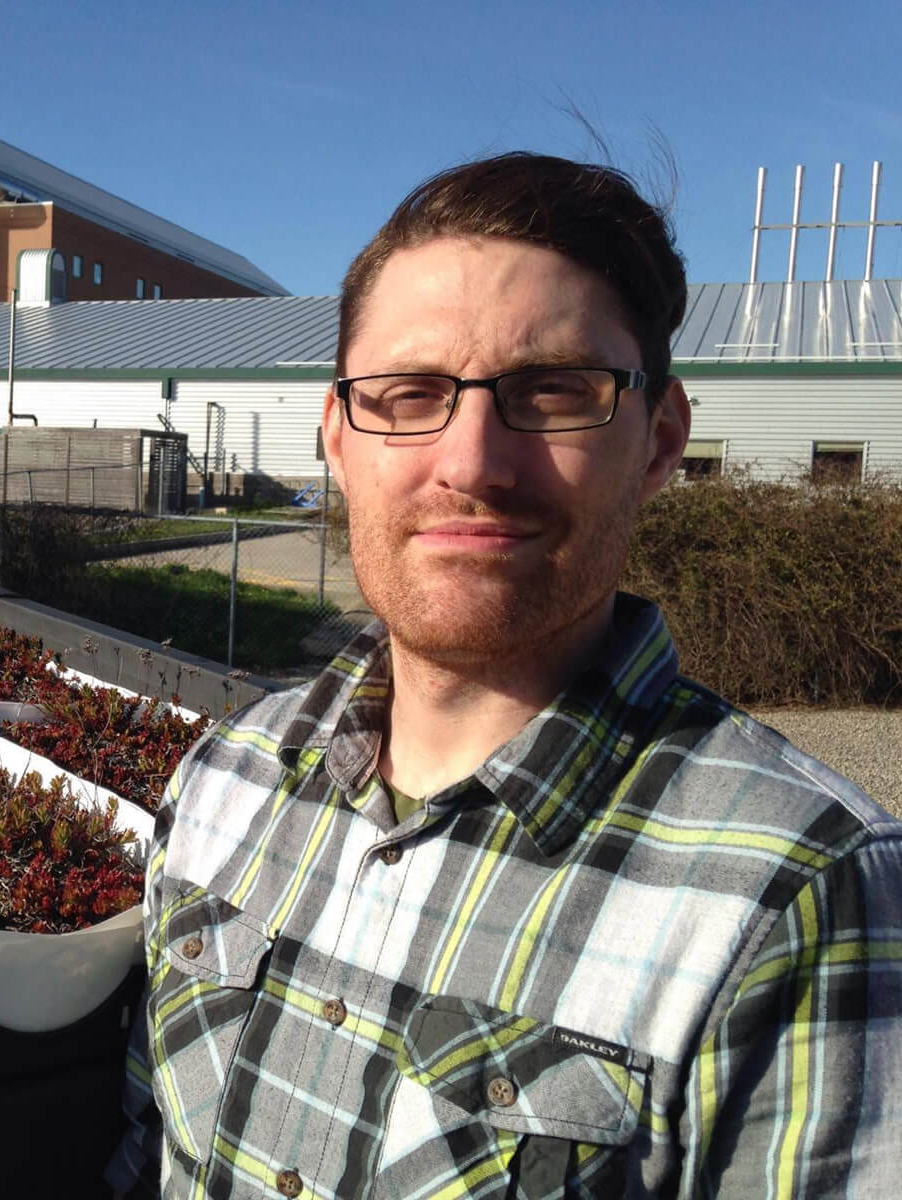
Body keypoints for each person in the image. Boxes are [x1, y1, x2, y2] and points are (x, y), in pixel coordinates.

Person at [105, 152, 901, 1199]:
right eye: (408, 394)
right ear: (338, 439)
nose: (473, 461)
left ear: (659, 441)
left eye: (554, 392)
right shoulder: (223, 779)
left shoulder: (800, 890)